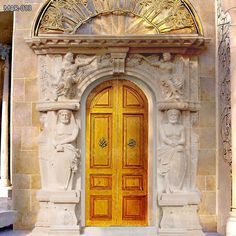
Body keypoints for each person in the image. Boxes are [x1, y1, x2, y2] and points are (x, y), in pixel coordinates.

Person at [158, 109, 187, 193]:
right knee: (168, 167)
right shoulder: (163, 127)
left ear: (178, 117)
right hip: (167, 148)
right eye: (171, 115)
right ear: (168, 116)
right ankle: (168, 188)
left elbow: (183, 140)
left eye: (175, 115)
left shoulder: (181, 127)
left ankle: (176, 187)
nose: (173, 117)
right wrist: (171, 143)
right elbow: (163, 138)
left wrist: (177, 143)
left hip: (178, 147)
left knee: (177, 167)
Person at [52, 110, 80, 190]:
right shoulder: (56, 127)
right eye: (62, 115)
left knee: (67, 159)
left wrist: (60, 143)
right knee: (57, 161)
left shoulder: (74, 126)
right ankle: (59, 185)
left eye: (67, 115)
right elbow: (52, 139)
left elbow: (73, 137)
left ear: (70, 116)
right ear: (59, 116)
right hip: (58, 149)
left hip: (69, 148)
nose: (65, 117)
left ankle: (67, 186)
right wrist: (57, 145)